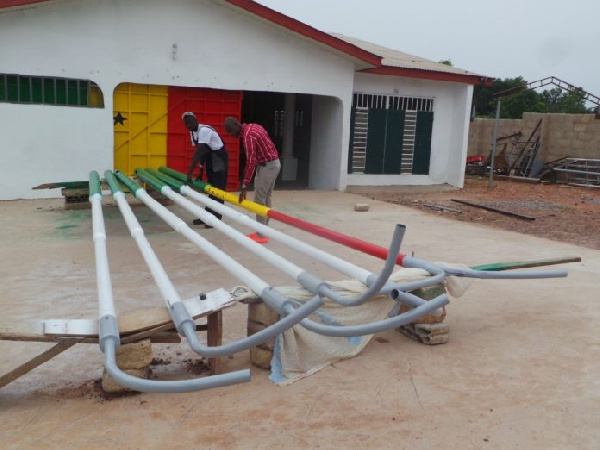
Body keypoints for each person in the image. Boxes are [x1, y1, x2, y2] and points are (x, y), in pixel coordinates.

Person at [224, 117, 280, 244]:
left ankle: (261, 234)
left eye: (231, 131)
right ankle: (263, 230)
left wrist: (244, 186)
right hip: (273, 163)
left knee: (259, 200)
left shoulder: (248, 136)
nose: (232, 135)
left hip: (268, 166)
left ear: (235, 125)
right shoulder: (254, 126)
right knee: (266, 197)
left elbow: (250, 161)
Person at [182, 112, 228, 228]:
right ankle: (207, 215)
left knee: (218, 189)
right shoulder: (193, 133)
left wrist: (190, 171)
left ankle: (216, 218)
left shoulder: (204, 130)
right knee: (211, 188)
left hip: (219, 158)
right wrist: (200, 172)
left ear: (196, 120)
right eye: (187, 124)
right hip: (210, 157)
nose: (189, 125)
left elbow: (198, 152)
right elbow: (202, 153)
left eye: (191, 122)